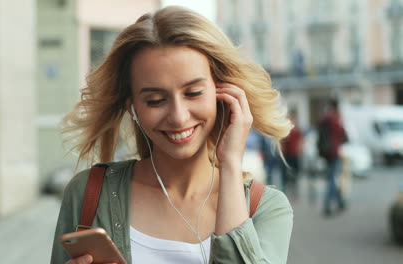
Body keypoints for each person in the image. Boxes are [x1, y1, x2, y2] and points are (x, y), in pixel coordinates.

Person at [51, 6, 293, 264]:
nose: (178, 116)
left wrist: (231, 164)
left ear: (222, 92)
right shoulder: (88, 193)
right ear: (131, 107)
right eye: (155, 100)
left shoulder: (266, 209)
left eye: (193, 93)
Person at [318, 99, 347, 217]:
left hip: (326, 152)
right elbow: (343, 135)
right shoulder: (335, 119)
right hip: (334, 152)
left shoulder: (325, 118)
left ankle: (340, 202)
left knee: (333, 178)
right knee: (332, 179)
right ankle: (328, 205)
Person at [280, 110, 303, 199]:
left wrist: (300, 150)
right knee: (284, 176)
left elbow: (301, 142)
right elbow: (280, 142)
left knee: (295, 176)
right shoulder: (285, 131)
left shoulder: (297, 131)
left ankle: (294, 193)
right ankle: (284, 193)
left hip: (294, 155)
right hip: (286, 156)